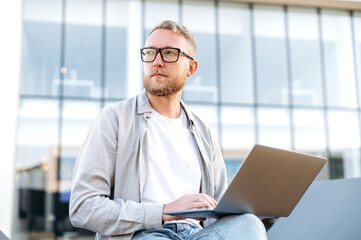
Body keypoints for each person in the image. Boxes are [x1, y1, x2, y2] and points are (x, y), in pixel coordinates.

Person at [69, 20, 267, 240]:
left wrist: (241, 214)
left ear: (191, 68)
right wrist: (163, 211)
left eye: (169, 53)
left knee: (248, 224)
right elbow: (83, 207)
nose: (157, 62)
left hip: (197, 234)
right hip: (141, 234)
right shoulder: (114, 119)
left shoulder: (205, 134)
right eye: (151, 53)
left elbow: (220, 207)